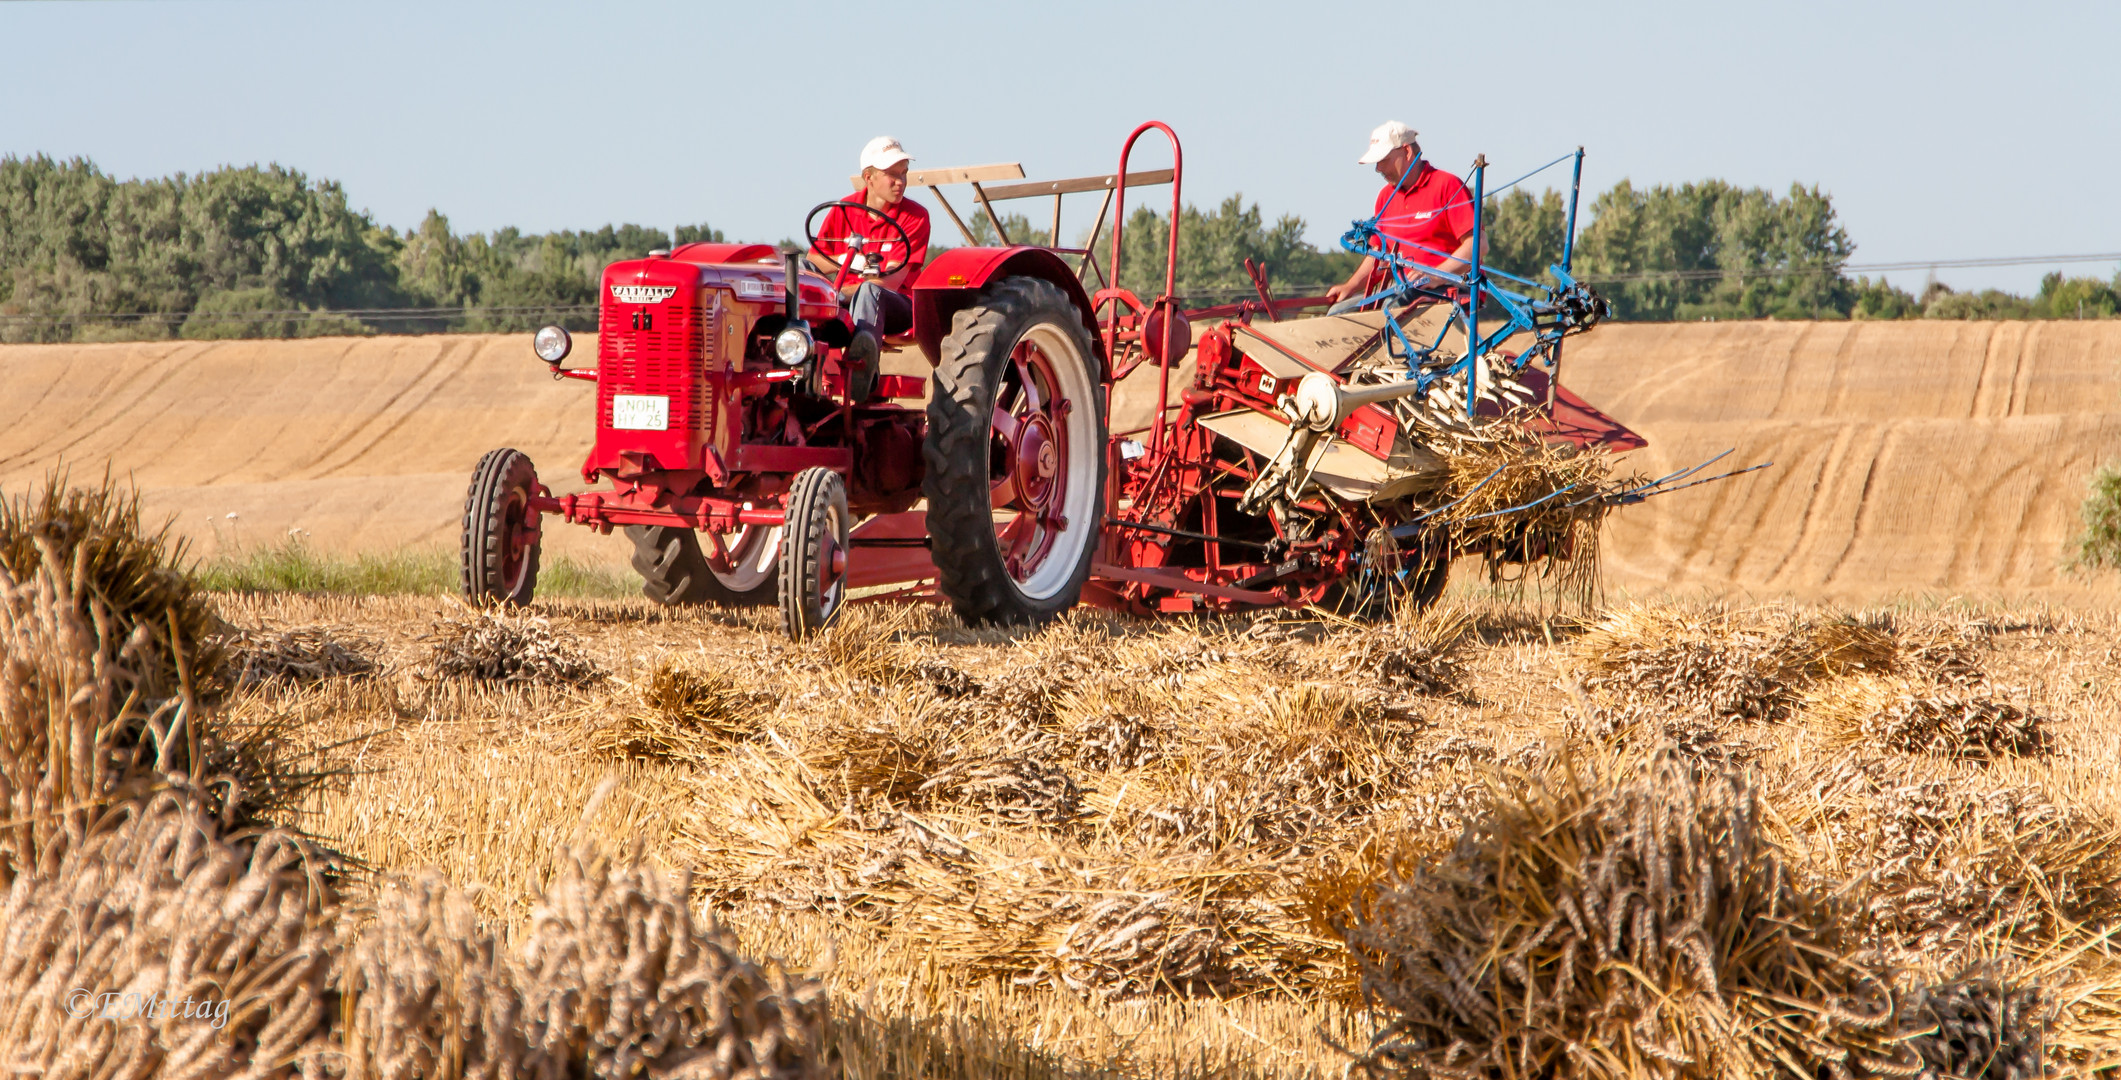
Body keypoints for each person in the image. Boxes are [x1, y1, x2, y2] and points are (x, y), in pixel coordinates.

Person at [810, 136, 931, 399]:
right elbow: (814, 260)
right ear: (869, 178)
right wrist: (844, 259)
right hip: (845, 301)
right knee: (805, 285)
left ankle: (863, 371)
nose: (900, 182)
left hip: (897, 305)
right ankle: (804, 372)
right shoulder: (844, 210)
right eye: (891, 174)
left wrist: (840, 293)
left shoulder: (915, 217)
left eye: (904, 174)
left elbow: (891, 283)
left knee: (869, 292)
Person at [1324, 122, 1480, 307]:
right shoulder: (1385, 197)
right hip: (1404, 290)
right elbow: (1378, 254)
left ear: (1407, 152)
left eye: (1383, 160)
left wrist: (1435, 276)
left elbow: (1477, 245)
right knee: (1340, 312)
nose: (1378, 169)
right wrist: (1350, 287)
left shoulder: (1447, 185)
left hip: (1447, 288)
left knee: (1390, 307)